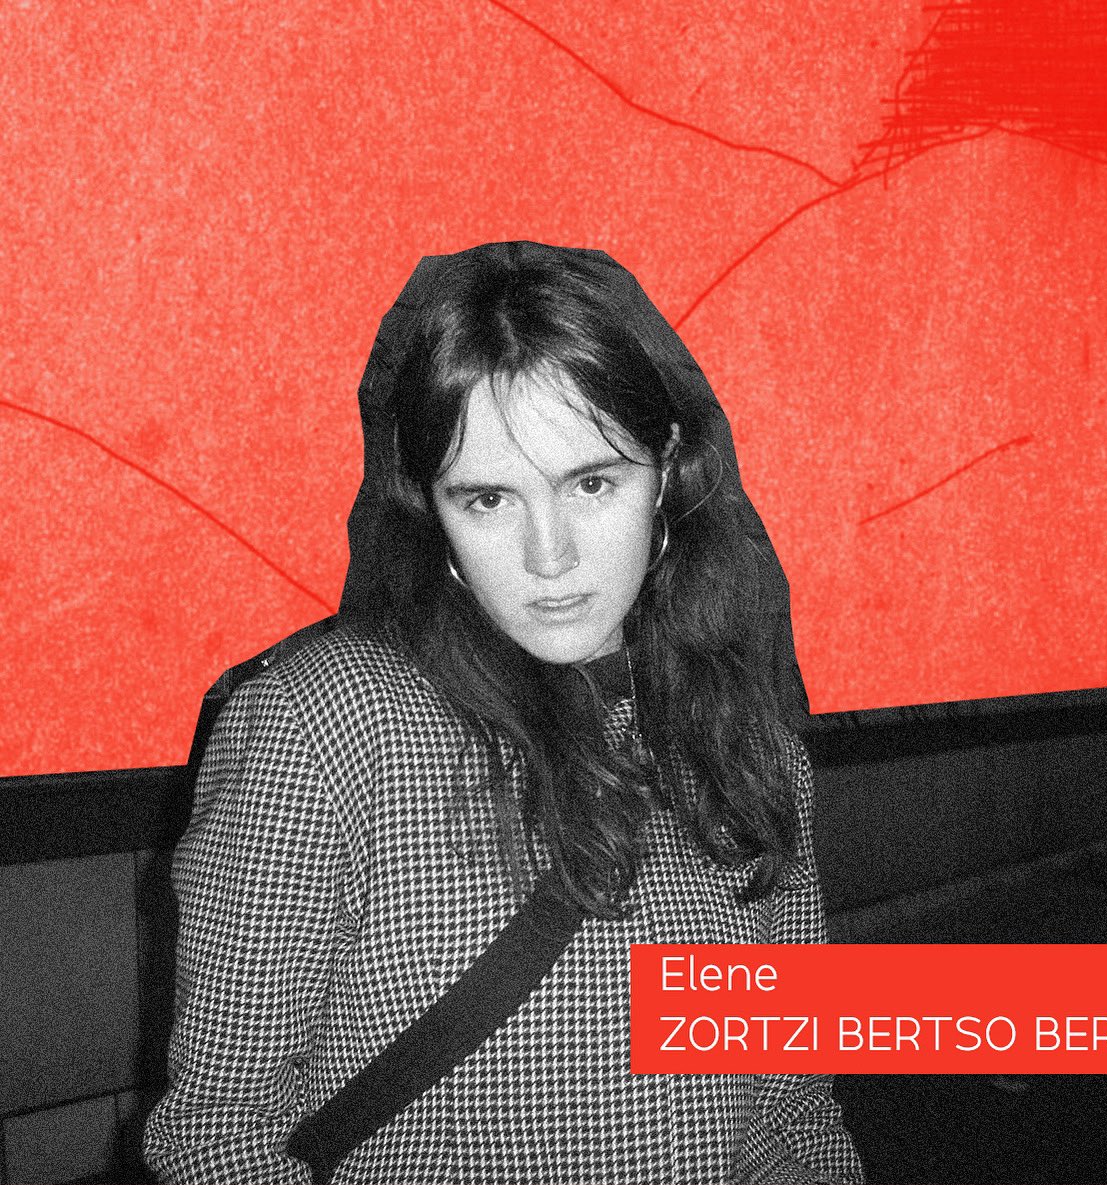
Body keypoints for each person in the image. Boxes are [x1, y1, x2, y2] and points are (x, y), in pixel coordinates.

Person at [143, 241, 864, 1184]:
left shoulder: (747, 744)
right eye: (488, 498)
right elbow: (217, 1137)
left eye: (591, 482)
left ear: (666, 467)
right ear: (430, 507)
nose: (548, 556)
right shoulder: (321, 727)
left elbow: (790, 1109)